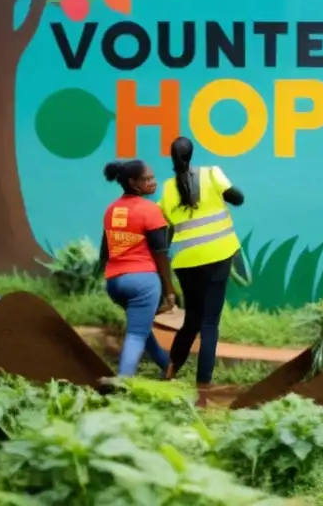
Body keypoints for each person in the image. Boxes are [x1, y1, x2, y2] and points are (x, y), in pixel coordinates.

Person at [158, 137, 245, 401]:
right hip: (219, 254)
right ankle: (203, 392)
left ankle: (169, 374)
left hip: (186, 260)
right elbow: (238, 199)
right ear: (192, 153)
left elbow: (167, 226)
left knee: (192, 320)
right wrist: (222, 194)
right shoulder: (212, 174)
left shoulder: (167, 188)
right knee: (209, 324)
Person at [99, 159, 175, 377]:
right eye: (147, 179)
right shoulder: (150, 211)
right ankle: (123, 386)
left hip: (115, 282)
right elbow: (161, 253)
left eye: (153, 177)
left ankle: (167, 366)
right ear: (133, 182)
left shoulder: (111, 210)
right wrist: (169, 289)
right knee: (135, 335)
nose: (153, 182)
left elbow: (106, 250)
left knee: (139, 327)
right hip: (143, 281)